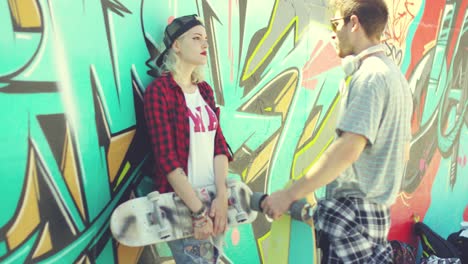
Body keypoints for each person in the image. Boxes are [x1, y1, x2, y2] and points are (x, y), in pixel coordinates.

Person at [261, 0, 413, 263]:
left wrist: (288, 194)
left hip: (353, 215)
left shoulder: (370, 76)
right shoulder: (395, 77)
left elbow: (348, 149)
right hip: (373, 216)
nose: (333, 33)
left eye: (336, 24)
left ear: (354, 23)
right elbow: (404, 153)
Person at [143, 14, 232, 263]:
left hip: (215, 203)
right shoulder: (159, 92)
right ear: (177, 45)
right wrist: (199, 213)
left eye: (205, 39)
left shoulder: (204, 90)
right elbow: (167, 160)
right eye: (196, 38)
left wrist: (222, 197)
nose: (205, 44)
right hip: (185, 209)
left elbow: (220, 146)